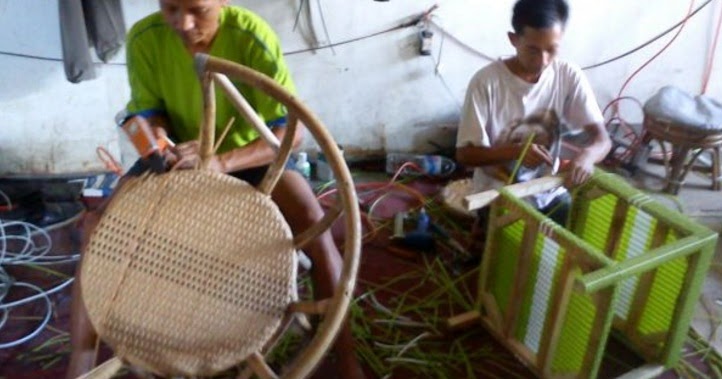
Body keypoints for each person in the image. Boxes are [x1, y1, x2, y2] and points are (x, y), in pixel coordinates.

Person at [66, 1, 365, 378]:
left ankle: (346, 357)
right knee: (97, 228)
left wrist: (221, 162)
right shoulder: (145, 38)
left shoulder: (251, 36)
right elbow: (147, 110)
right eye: (171, 8)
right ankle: (79, 364)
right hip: (177, 161)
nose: (184, 23)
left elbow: (288, 131)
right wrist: (157, 133)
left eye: (198, 9)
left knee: (311, 219)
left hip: (249, 156)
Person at [456, 0, 611, 226]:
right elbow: (464, 155)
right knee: (510, 254)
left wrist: (587, 157)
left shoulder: (568, 75)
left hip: (549, 191)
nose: (543, 61)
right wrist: (516, 151)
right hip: (499, 194)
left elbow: (603, 141)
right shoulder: (486, 82)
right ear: (514, 39)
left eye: (551, 49)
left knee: (560, 240)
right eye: (533, 50)